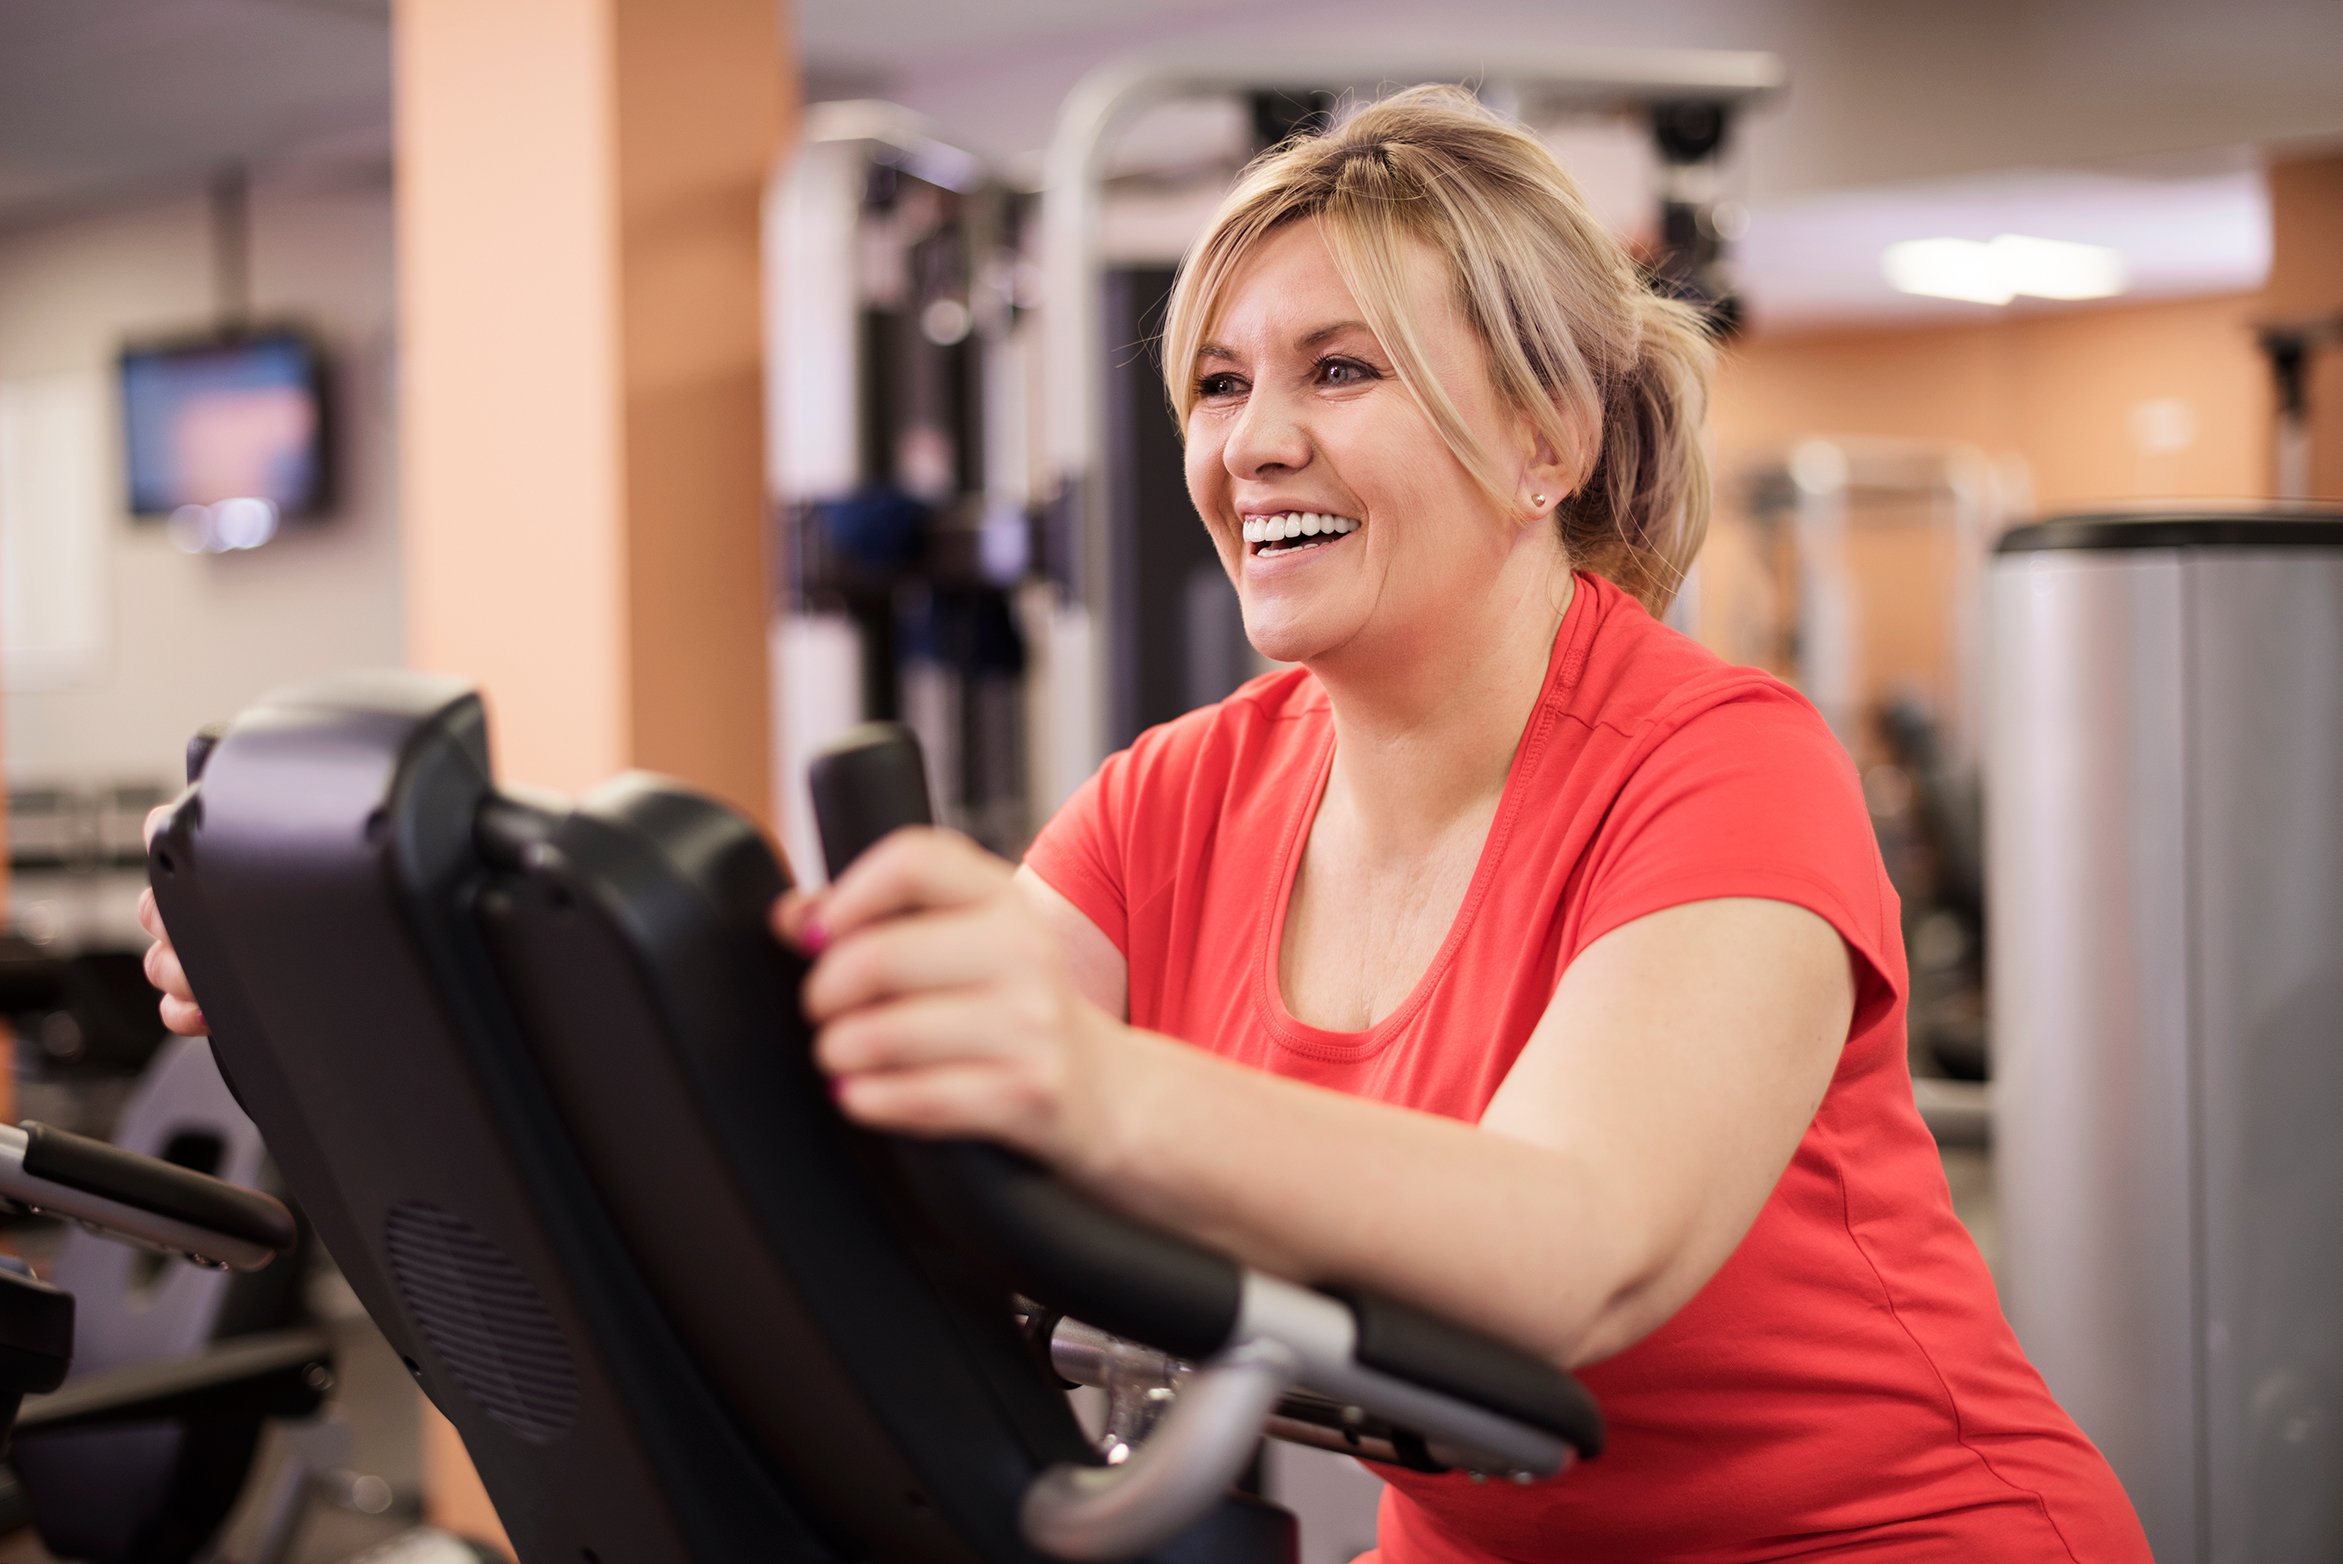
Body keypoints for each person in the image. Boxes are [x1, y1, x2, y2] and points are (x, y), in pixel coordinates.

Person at [143, 86, 2149, 1563]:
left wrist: (1094, 1090)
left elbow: (1583, 1249)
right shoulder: (1177, 791)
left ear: (1544, 437)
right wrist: (378, 996)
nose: (1248, 438)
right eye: (1214, 381)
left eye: (1335, 370)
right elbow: (831, 1102)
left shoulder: (1717, 759)